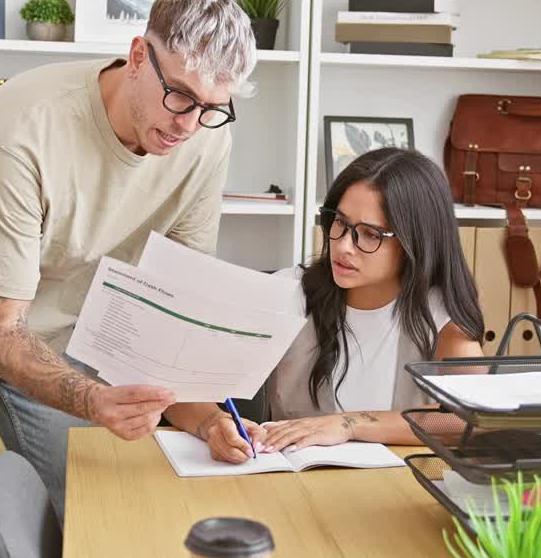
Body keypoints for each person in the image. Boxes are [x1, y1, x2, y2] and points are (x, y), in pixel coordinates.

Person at [0, 0, 256, 558]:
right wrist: (94, 400)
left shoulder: (204, 138)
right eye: (178, 95)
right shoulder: (25, 126)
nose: (188, 124)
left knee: (104, 491)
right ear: (136, 56)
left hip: (48, 321)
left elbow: (171, 300)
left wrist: (205, 419)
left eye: (212, 107)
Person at [165, 147, 485, 462]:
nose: (344, 246)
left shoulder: (441, 313)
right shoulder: (287, 294)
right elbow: (172, 387)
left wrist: (347, 425)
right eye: (339, 223)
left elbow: (474, 417)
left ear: (416, 241)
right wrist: (212, 423)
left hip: (397, 486)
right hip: (298, 485)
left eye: (370, 235)